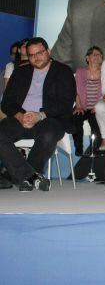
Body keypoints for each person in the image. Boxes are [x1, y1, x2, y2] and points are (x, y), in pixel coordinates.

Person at [0, 37, 76, 191]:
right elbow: (6, 102)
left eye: (40, 53)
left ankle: (17, 175)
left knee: (49, 134)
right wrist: (20, 115)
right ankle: (32, 177)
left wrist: (39, 115)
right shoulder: (20, 72)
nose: (36, 57)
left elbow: (66, 104)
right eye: (32, 55)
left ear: (48, 51)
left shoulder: (63, 71)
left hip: (49, 120)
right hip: (20, 119)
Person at [73, 46, 104, 156]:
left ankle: (94, 150)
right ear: (87, 58)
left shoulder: (104, 72)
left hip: (97, 107)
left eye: (99, 54)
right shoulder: (80, 71)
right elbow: (75, 89)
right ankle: (79, 148)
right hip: (81, 105)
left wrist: (99, 106)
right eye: (94, 54)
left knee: (97, 126)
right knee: (76, 118)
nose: (96, 56)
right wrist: (78, 105)